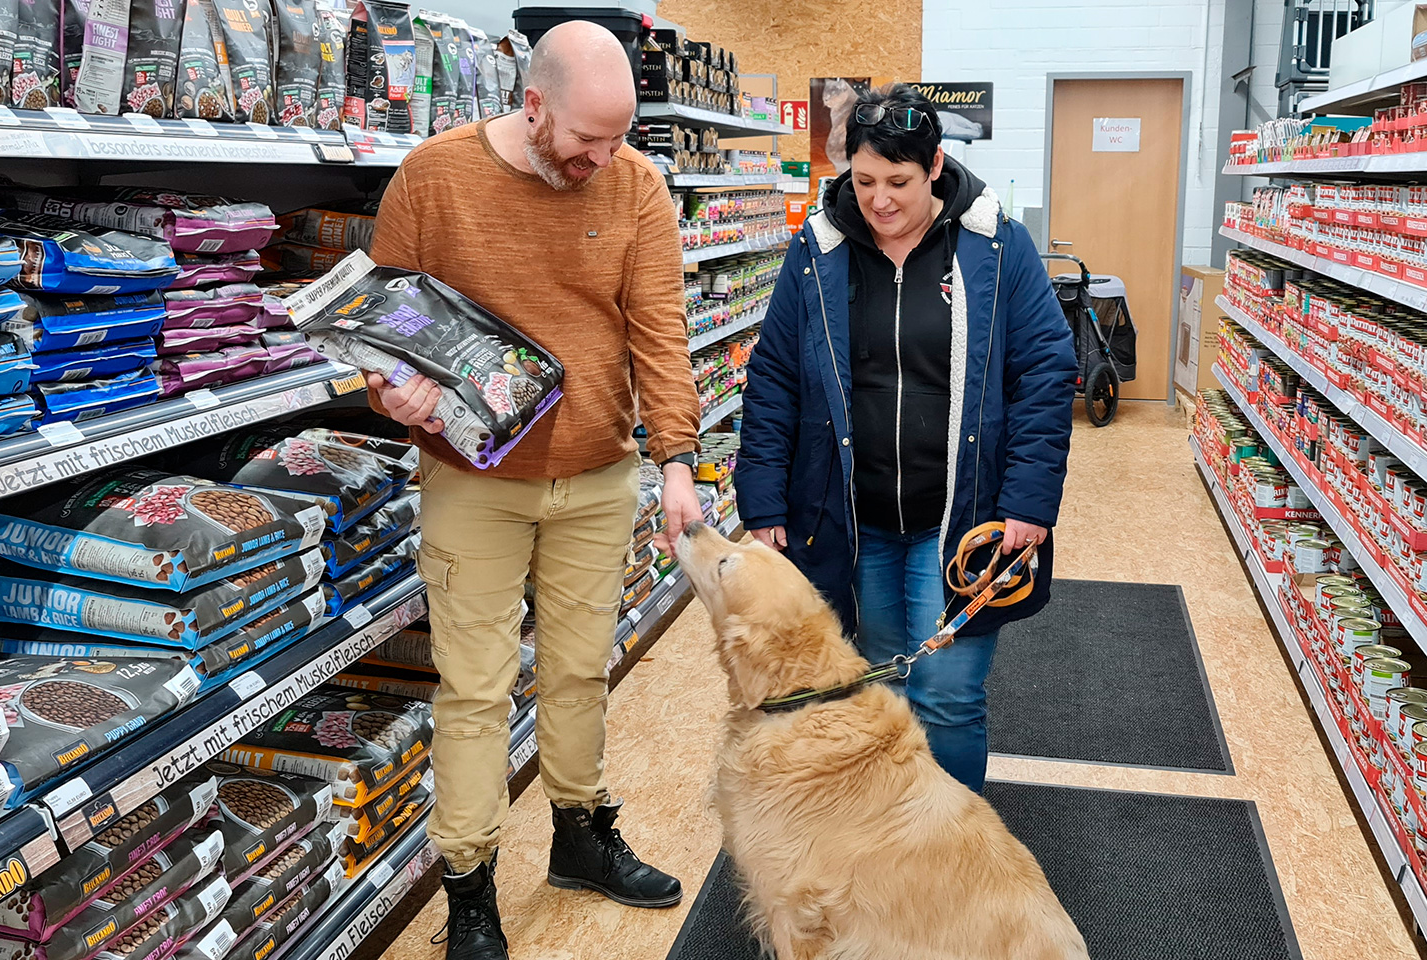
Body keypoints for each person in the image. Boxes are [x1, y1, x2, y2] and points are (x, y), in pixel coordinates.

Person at [364, 20, 702, 960]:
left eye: (618, 138)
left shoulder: (635, 183)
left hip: (598, 475)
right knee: (474, 691)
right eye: (587, 140)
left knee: (580, 669)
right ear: (533, 103)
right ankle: (469, 886)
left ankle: (579, 835)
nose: (605, 158)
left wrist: (677, 457)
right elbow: (380, 329)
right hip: (474, 479)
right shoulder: (433, 178)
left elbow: (660, 332)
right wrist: (394, 394)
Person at [733, 84, 1076, 792]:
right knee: (880, 694)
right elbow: (774, 379)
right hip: (852, 522)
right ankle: (892, 846)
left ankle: (950, 858)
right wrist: (763, 500)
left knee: (947, 697)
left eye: (899, 181)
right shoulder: (817, 251)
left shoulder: (994, 247)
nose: (879, 199)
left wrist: (1030, 499)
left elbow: (1045, 370)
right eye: (863, 181)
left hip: (959, 519)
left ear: (936, 168)